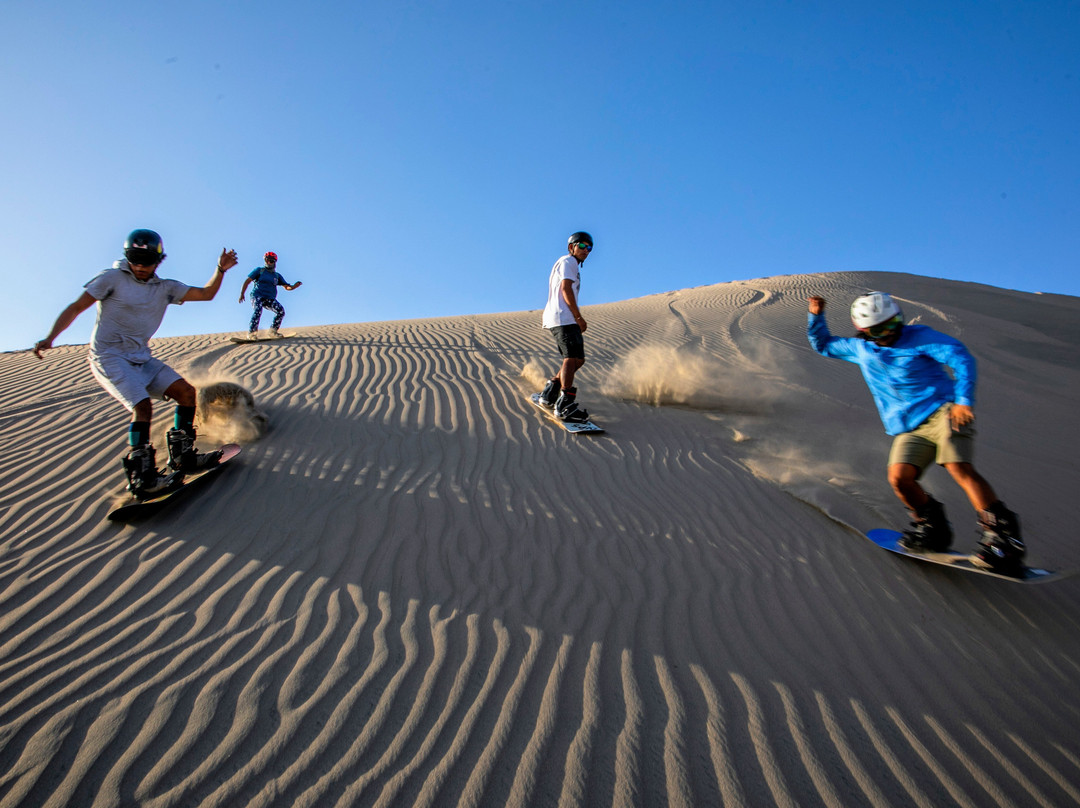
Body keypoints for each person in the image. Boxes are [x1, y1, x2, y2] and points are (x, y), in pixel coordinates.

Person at [807, 291, 1026, 575]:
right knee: (900, 479)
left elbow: (961, 358)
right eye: (880, 329)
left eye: (894, 322)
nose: (890, 331)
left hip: (944, 412)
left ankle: (1004, 539)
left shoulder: (920, 337)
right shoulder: (861, 349)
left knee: (958, 466)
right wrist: (816, 315)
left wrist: (963, 401)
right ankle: (932, 528)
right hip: (910, 427)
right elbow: (823, 345)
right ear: (864, 332)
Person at [34, 229, 239, 498]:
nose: (140, 266)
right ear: (127, 257)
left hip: (141, 358)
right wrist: (51, 337)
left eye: (147, 260)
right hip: (109, 357)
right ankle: (142, 477)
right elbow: (76, 307)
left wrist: (220, 270)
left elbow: (206, 294)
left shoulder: (165, 288)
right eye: (135, 259)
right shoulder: (112, 279)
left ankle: (182, 458)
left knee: (187, 393)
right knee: (142, 406)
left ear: (158, 260)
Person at [538, 231, 594, 422]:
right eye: (582, 246)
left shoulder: (571, 265)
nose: (586, 250)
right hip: (564, 317)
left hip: (564, 317)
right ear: (572, 247)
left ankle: (551, 391)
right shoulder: (568, 262)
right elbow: (565, 288)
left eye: (589, 247)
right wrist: (578, 317)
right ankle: (564, 405)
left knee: (578, 359)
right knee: (571, 358)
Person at [238, 251, 302, 338]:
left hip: (269, 298)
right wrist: (242, 293)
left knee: (280, 311)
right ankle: (252, 333)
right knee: (258, 310)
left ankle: (273, 331)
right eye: (267, 260)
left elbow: (287, 287)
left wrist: (294, 287)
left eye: (271, 261)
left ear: (275, 262)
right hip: (257, 295)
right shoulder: (259, 271)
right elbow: (247, 281)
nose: (268, 262)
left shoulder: (277, 276)